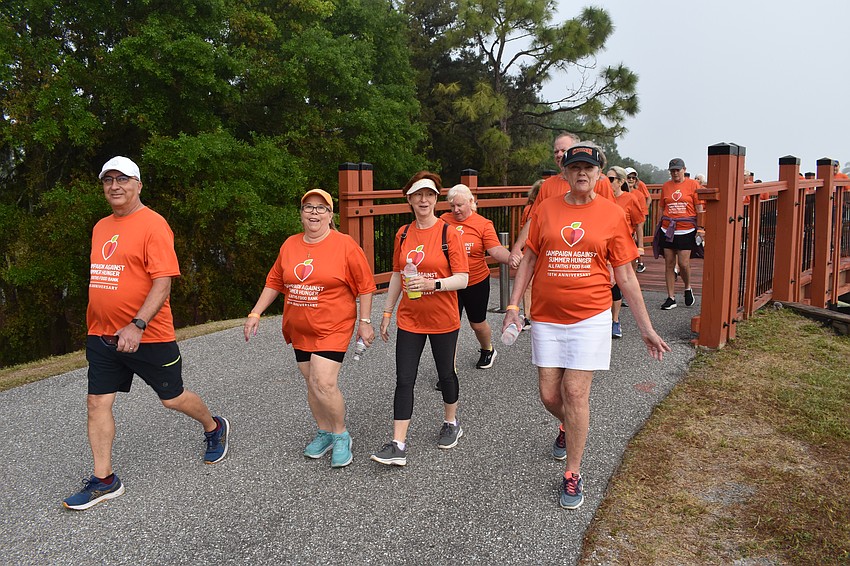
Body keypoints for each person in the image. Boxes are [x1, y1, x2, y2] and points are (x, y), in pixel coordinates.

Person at [502, 144, 670, 510]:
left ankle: (573, 473)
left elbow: (625, 274)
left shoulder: (611, 215)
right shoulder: (546, 209)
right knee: (550, 395)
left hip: (590, 317)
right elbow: (529, 259)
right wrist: (514, 306)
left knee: (575, 393)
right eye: (575, 167)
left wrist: (646, 328)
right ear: (564, 172)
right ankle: (570, 427)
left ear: (599, 174)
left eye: (589, 168)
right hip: (546, 316)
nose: (582, 173)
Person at [63, 156, 230, 511]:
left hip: (148, 335)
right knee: (97, 403)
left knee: (172, 399)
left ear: (138, 185)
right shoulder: (100, 227)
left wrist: (137, 324)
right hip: (102, 335)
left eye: (122, 179)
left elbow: (163, 282)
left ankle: (214, 426)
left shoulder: (154, 224)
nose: (114, 186)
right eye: (108, 180)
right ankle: (104, 479)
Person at [243, 189, 376, 468]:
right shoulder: (290, 245)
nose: (314, 212)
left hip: (333, 325)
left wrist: (364, 322)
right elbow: (275, 282)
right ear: (301, 214)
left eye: (321, 208)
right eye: (308, 207)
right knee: (311, 383)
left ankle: (341, 434)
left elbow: (365, 286)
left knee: (324, 382)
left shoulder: (345, 245)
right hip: (300, 326)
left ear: (330, 215)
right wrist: (256, 312)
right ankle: (324, 431)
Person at [371, 171, 469, 467]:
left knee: (446, 375)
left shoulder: (448, 232)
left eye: (429, 194)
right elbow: (398, 275)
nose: (424, 199)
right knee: (404, 379)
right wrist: (387, 312)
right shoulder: (402, 233)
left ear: (436, 199)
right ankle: (398, 443)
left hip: (443, 318)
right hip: (410, 319)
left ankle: (451, 422)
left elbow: (463, 278)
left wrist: (434, 284)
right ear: (409, 199)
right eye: (418, 195)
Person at [509, 133, 615, 268]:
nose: (559, 154)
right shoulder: (548, 184)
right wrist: (518, 246)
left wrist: (610, 263)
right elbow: (534, 220)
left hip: (588, 260)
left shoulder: (599, 181)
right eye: (555, 151)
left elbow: (611, 222)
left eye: (563, 151)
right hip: (552, 260)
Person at [440, 183, 511, 370]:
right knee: (449, 325)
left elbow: (495, 250)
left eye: (460, 205)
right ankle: (449, 371)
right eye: (452, 206)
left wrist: (513, 259)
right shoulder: (442, 221)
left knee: (477, 324)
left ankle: (487, 349)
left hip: (476, 281)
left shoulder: (483, 224)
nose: (456, 210)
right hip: (451, 282)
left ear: (471, 202)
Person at [653, 158, 701, 310]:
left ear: (684, 170)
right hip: (668, 228)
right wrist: (658, 224)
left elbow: (699, 207)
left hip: (686, 228)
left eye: (678, 170)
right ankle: (671, 297)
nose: (675, 173)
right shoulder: (666, 186)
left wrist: (701, 228)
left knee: (683, 263)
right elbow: (662, 206)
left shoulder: (693, 184)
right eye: (672, 170)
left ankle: (687, 287)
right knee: (669, 262)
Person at [608, 166, 645, 338]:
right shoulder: (600, 198)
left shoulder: (630, 198)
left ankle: (615, 321)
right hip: (603, 246)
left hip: (623, 245)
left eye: (611, 179)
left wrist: (641, 247)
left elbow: (638, 224)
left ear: (621, 181)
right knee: (606, 283)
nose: (607, 183)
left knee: (618, 282)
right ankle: (604, 320)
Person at [520, 180, 544, 329]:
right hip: (531, 247)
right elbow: (524, 229)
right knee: (528, 284)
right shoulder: (529, 209)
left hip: (546, 249)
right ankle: (527, 315)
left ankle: (536, 312)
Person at [624, 167, 650, 273]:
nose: (631, 180)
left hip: (632, 230)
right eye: (628, 177)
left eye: (633, 178)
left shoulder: (638, 195)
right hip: (620, 232)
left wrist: (637, 233)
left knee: (631, 264)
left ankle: (639, 263)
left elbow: (641, 217)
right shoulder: (615, 193)